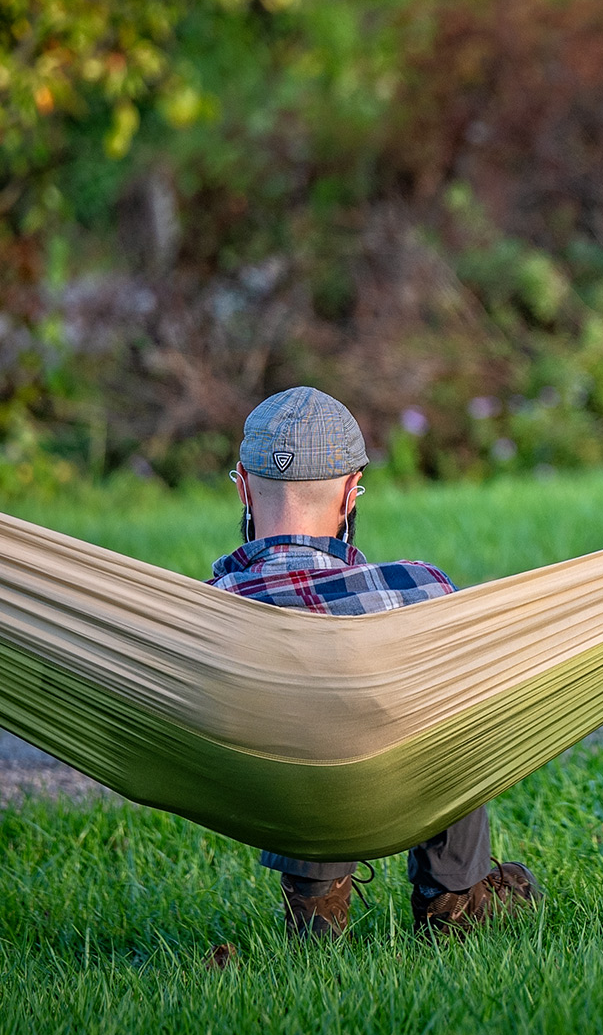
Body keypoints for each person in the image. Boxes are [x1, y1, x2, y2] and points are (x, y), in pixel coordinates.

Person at [212, 386, 542, 939]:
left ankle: (316, 897)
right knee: (457, 701)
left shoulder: (209, 608)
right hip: (406, 783)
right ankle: (453, 894)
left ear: (244, 488)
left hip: (285, 795)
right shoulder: (416, 587)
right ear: (349, 496)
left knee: (300, 723)